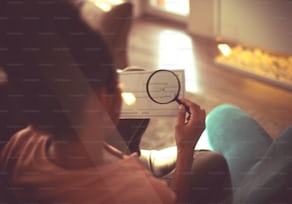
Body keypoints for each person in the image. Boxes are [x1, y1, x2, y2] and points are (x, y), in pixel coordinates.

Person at [0, 1, 229, 203]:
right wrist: (185, 147)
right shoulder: (134, 192)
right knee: (214, 159)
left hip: (102, 155)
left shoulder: (20, 145)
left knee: (135, 74)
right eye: (115, 82)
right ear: (102, 98)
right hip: (135, 181)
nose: (121, 87)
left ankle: (134, 152)